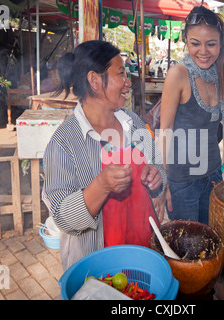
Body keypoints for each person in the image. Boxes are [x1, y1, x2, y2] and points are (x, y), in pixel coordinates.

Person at [42, 40, 166, 270]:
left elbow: (157, 166)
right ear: (95, 80)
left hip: (146, 251)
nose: (128, 83)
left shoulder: (133, 122)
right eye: (121, 73)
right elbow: (62, 218)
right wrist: (101, 185)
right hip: (100, 265)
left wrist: (157, 179)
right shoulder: (64, 142)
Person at [155, 6, 224, 224]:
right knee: (187, 250)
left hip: (214, 176)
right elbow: (165, 130)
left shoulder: (218, 73)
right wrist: (163, 182)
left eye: (211, 44)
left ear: (220, 44)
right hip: (183, 183)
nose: (203, 51)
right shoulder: (178, 74)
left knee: (209, 243)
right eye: (195, 43)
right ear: (186, 41)